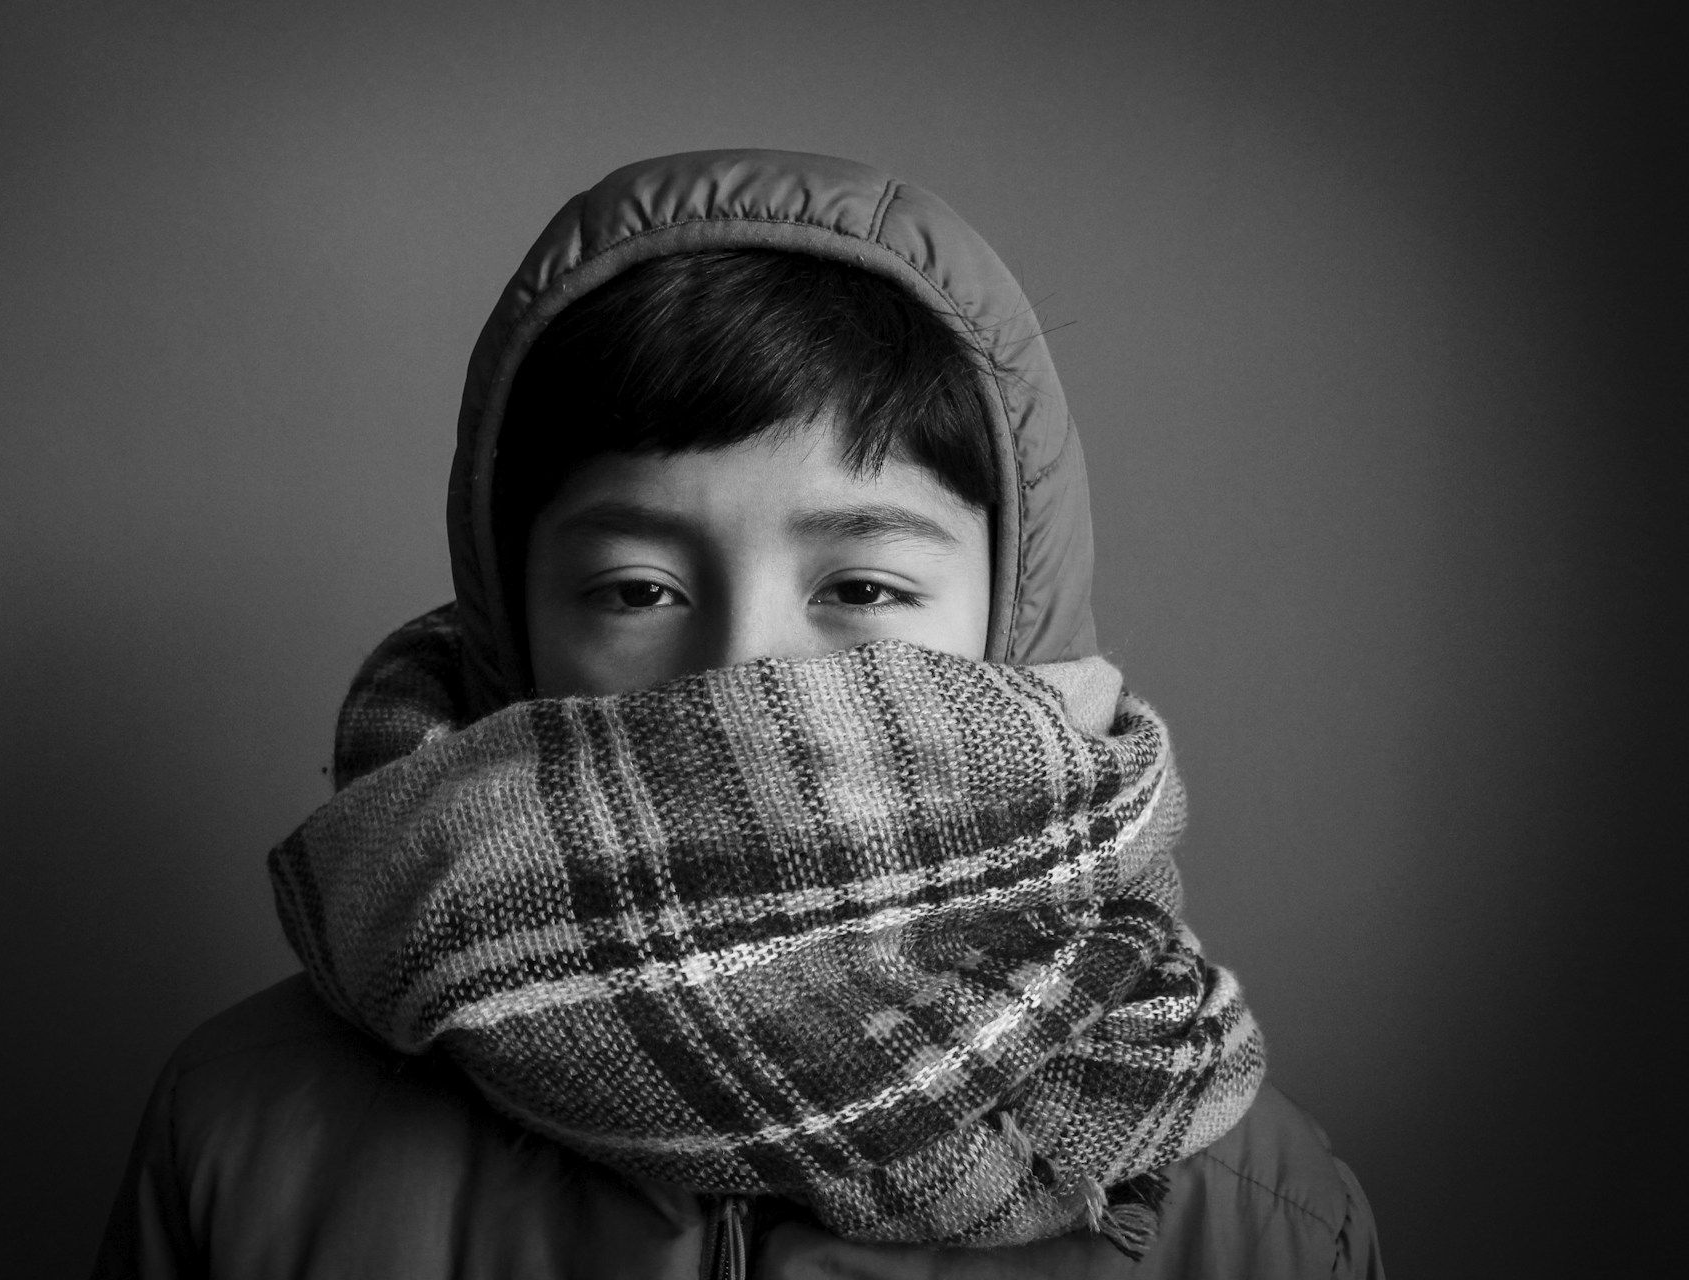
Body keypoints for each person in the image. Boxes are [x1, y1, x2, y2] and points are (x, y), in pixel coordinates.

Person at [93, 150, 1383, 1279]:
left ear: (1010, 625)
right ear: (514, 626)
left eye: (864, 585)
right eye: (638, 588)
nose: (740, 674)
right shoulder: (243, 1138)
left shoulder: (1250, 1215)